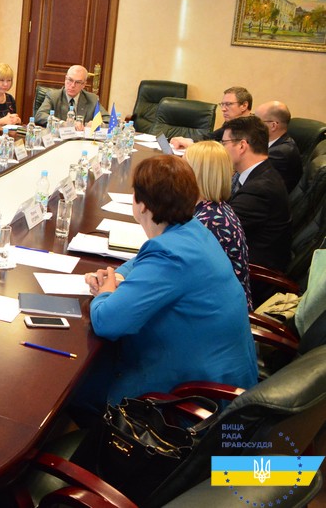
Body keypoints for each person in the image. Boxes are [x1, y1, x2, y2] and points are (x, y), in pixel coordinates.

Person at [80, 156, 257, 412]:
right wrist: (115, 276)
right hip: (221, 377)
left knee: (76, 385)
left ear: (141, 205)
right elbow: (142, 260)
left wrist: (104, 294)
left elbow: (107, 322)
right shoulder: (194, 230)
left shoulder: (170, 256)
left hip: (192, 400)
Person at [184, 141, 252, 310]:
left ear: (196, 175)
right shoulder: (214, 208)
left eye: (183, 167)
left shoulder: (210, 222)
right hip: (214, 302)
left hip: (216, 311)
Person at [222, 115, 292, 272]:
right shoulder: (262, 172)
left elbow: (218, 231)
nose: (222, 149)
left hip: (253, 271)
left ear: (242, 146)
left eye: (224, 143)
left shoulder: (259, 190)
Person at [170, 85, 252, 150]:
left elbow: (225, 153)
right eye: (222, 104)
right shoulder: (232, 122)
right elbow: (209, 137)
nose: (223, 109)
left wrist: (192, 146)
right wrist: (188, 140)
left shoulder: (252, 130)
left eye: (228, 104)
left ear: (244, 106)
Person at [255, 100, 301, 192]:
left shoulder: (279, 153)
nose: (252, 125)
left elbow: (251, 179)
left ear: (273, 126)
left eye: (257, 121)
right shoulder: (271, 143)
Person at [34, 65, 99, 127]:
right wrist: (62, 123)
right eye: (70, 80)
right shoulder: (53, 96)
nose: (73, 85)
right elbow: (40, 115)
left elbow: (104, 120)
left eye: (78, 82)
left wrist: (95, 124)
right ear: (65, 79)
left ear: (84, 84)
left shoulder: (92, 99)